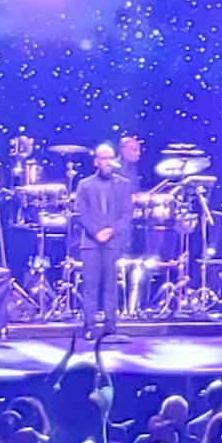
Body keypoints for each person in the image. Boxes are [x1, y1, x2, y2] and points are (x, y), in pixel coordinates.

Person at [73, 144, 133, 339]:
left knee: (110, 286)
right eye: (103, 158)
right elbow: (80, 213)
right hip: (90, 243)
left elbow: (127, 214)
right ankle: (89, 326)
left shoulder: (124, 184)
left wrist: (111, 230)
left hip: (113, 241)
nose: (108, 162)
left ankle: (110, 326)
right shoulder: (85, 185)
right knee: (90, 286)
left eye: (110, 158)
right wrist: (96, 233)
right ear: (96, 162)